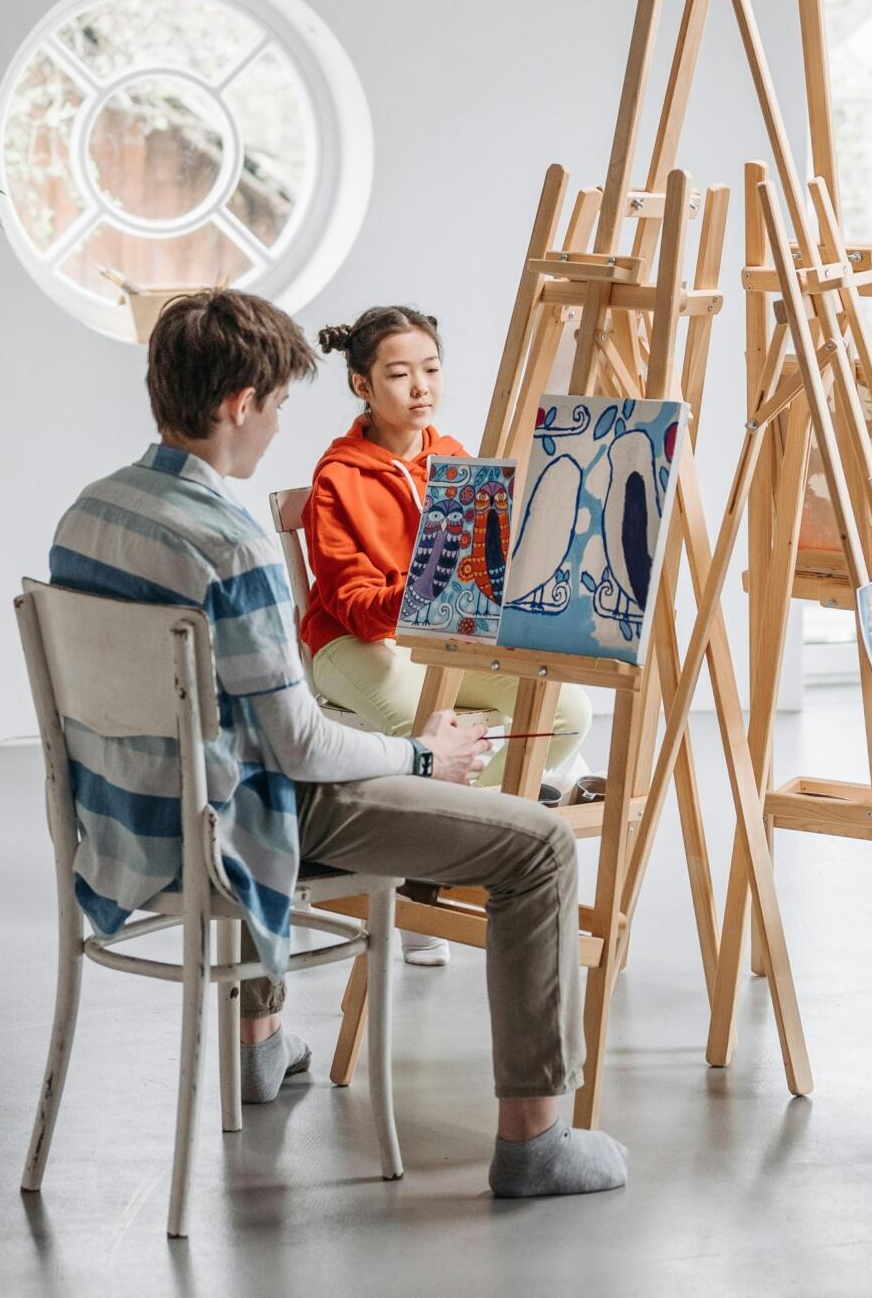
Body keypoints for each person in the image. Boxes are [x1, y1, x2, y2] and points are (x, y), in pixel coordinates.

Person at [49, 290, 627, 1199]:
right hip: (234, 815)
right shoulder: (229, 539)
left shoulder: (89, 511)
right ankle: (537, 1140)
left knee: (238, 749)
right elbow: (300, 746)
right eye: (276, 403)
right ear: (241, 403)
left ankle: (259, 1044)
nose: (279, 425)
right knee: (542, 846)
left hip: (127, 820)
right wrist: (425, 756)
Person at [300, 305, 594, 797]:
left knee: (567, 712)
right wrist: (428, 592)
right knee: (425, 733)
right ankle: (455, 828)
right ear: (361, 386)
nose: (421, 387)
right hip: (351, 645)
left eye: (431, 369)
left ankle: (476, 815)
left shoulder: (457, 461)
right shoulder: (337, 479)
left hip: (443, 638)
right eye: (398, 374)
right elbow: (352, 609)